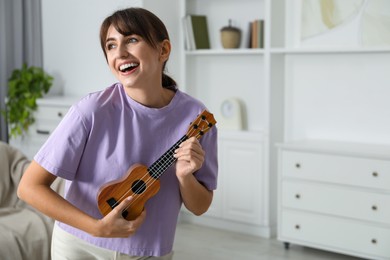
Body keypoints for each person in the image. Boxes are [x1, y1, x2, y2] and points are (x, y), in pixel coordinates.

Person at [17, 7, 218, 260]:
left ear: (163, 50)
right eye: (111, 45)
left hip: (149, 251)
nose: (120, 53)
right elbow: (29, 187)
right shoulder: (91, 110)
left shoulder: (196, 119)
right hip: (79, 245)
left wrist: (185, 177)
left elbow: (200, 207)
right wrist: (96, 227)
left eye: (132, 40)